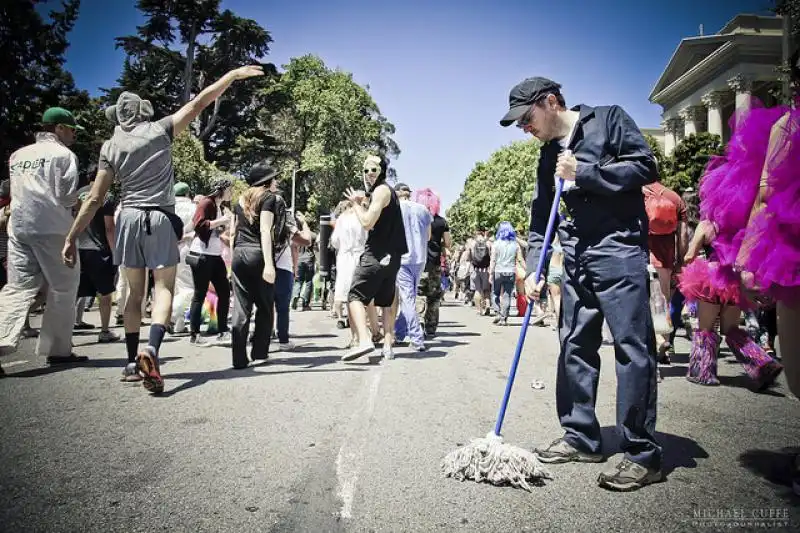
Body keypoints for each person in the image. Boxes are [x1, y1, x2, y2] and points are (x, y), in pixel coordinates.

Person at [500, 76, 662, 490]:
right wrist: (535, 269)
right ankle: (582, 436)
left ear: (550, 102)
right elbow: (541, 220)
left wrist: (585, 172)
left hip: (618, 249)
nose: (524, 127)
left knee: (631, 347)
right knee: (574, 343)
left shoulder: (607, 119)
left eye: (526, 117)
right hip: (575, 256)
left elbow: (645, 166)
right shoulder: (546, 156)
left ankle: (641, 452)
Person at [63, 65, 265, 394]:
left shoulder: (109, 148)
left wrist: (71, 237)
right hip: (158, 217)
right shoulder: (160, 130)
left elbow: (96, 198)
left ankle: (131, 362)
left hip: (128, 218)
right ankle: (152, 349)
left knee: (132, 295)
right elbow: (199, 102)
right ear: (143, 114)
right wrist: (232, 76)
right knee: (164, 290)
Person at [0, 107, 87, 369]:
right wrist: (81, 201)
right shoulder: (64, 155)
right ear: (59, 128)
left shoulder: (18, 155)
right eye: (71, 129)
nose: (73, 135)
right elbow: (65, 196)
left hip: (20, 227)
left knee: (17, 289)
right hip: (53, 228)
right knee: (63, 288)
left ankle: (1, 339)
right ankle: (57, 349)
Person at [341, 155, 408, 361]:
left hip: (377, 254)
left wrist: (355, 205)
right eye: (366, 170)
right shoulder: (387, 192)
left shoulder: (381, 190)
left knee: (354, 297)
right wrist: (365, 203)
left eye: (373, 170)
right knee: (387, 301)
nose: (369, 174)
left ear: (381, 171)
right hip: (393, 256)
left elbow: (368, 222)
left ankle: (364, 340)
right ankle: (388, 346)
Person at [230, 161, 281, 368]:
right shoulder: (268, 199)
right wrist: (269, 264)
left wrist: (231, 262)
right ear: (266, 182)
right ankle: (260, 352)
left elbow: (233, 232)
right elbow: (265, 230)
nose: (276, 181)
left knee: (241, 308)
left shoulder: (239, 201)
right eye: (274, 178)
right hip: (258, 254)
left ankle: (239, 358)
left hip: (239, 254)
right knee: (265, 306)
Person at [73, 164, 120, 343]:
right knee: (105, 293)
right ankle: (105, 330)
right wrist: (116, 253)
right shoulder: (106, 196)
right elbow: (109, 228)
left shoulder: (78, 193)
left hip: (79, 247)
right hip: (99, 250)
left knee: (74, 292)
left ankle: (67, 331)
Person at [643, 180, 688, 362]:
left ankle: (656, 341)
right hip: (665, 259)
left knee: (644, 303)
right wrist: (680, 262)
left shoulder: (639, 194)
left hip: (641, 254)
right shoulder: (675, 198)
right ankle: (666, 344)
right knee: (663, 302)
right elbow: (683, 235)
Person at [187, 177, 233, 345]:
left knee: (224, 291)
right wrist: (220, 222)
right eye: (230, 189)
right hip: (201, 254)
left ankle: (223, 330)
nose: (231, 193)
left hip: (215, 254)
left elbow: (213, 228)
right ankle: (195, 334)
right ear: (222, 189)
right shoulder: (207, 202)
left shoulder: (219, 206)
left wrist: (222, 225)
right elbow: (198, 224)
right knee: (199, 293)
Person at [393, 183, 432, 351]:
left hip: (402, 258)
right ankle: (400, 332)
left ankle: (416, 338)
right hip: (420, 257)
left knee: (408, 299)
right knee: (410, 297)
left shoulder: (394, 210)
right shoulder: (423, 209)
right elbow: (429, 236)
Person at [416, 188, 451, 337]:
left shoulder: (416, 219)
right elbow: (448, 243)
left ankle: (417, 322)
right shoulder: (441, 221)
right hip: (434, 262)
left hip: (417, 261)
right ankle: (430, 327)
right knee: (434, 296)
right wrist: (440, 245)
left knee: (417, 294)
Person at [330, 200, 367, 338]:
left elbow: (335, 241)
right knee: (362, 295)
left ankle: (354, 334)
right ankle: (366, 329)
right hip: (360, 255)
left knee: (346, 293)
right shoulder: (362, 217)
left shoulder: (341, 220)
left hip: (345, 257)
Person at [170, 181, 196, 334]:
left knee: (175, 286)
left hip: (168, 248)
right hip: (187, 247)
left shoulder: (169, 207)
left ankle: (178, 325)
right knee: (188, 287)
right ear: (187, 193)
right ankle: (172, 316)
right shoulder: (193, 207)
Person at [490, 222, 524, 326]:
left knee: (495, 293)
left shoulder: (496, 244)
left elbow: (493, 260)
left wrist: (491, 273)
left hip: (498, 271)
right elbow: (520, 259)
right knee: (507, 295)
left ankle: (497, 312)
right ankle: (504, 318)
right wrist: (527, 270)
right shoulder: (515, 245)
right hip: (510, 271)